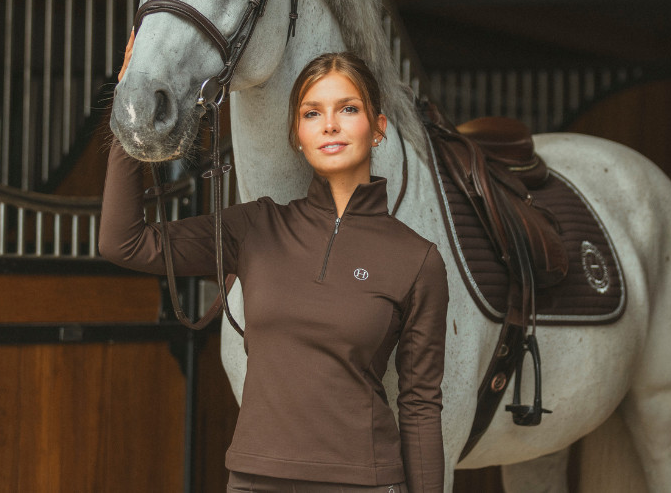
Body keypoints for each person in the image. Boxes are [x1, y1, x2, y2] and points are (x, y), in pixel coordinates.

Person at [100, 52, 448, 492]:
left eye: (348, 108)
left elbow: (419, 405)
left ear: (378, 128)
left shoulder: (416, 260)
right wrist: (130, 103)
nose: (330, 124)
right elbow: (124, 242)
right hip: (254, 481)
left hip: (365, 482)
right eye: (311, 112)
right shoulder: (255, 227)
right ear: (298, 136)